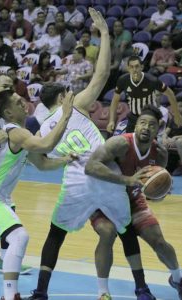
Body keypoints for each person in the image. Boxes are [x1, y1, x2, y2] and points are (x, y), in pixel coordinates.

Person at [27, 9, 137, 300]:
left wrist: (61, 161)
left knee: (56, 234)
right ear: (62, 98)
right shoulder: (74, 106)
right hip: (106, 172)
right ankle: (138, 288)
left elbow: (39, 163)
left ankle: (40, 291)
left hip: (76, 181)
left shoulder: (40, 131)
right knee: (124, 229)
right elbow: (102, 75)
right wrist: (102, 32)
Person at [85, 105, 182, 300]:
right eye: (142, 123)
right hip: (103, 201)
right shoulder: (119, 144)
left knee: (159, 242)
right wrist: (127, 180)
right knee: (107, 232)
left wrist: (159, 192)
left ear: (159, 128)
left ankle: (178, 279)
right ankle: (103, 291)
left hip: (133, 201)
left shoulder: (160, 153)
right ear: (136, 125)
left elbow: (152, 193)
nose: (146, 128)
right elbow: (90, 167)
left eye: (152, 125)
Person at [0, 89, 74, 300]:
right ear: (8, 113)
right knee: (19, 236)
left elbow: (43, 164)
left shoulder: (22, 133)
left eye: (23, 99)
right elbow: (46, 144)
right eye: (18, 102)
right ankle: (10, 296)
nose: (24, 103)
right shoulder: (15, 132)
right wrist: (65, 115)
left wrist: (65, 160)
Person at [0, 73, 32, 275]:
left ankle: (5, 258)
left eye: (11, 86)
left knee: (7, 204)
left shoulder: (8, 113)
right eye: (4, 85)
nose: (9, 89)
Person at [107, 55, 182, 134]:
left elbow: (170, 94)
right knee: (129, 142)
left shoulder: (151, 80)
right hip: (133, 116)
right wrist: (111, 120)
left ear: (141, 67)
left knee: (146, 142)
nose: (134, 70)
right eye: (131, 67)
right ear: (128, 68)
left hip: (150, 116)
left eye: (137, 66)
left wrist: (177, 115)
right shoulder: (123, 80)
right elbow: (115, 101)